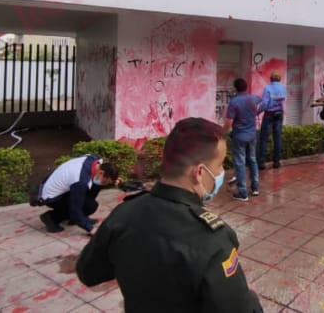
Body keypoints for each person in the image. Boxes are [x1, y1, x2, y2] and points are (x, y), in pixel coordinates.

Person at [76, 118, 263, 313]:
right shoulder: (214, 241)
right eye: (220, 166)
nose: (221, 173)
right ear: (199, 172)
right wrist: (249, 296)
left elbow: (87, 272)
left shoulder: (123, 215)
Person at [35, 155, 118, 233]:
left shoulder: (95, 159)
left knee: (93, 190)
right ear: (101, 173)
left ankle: (76, 218)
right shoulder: (80, 180)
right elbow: (76, 209)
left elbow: (95, 184)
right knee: (89, 206)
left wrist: (113, 181)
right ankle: (51, 217)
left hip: (56, 186)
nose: (103, 184)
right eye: (104, 181)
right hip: (51, 197)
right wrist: (89, 228)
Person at [224, 78, 261, 201]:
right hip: (252, 134)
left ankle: (243, 192)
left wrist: (222, 133)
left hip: (239, 136)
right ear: (246, 87)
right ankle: (255, 188)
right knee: (252, 160)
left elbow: (229, 122)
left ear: (236, 88)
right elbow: (264, 101)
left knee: (240, 162)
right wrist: (257, 112)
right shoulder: (253, 98)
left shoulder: (234, 102)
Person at [258, 71, 287, 170]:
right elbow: (283, 102)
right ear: (279, 78)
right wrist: (283, 112)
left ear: (271, 78)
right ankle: (277, 162)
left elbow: (265, 103)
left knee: (264, 139)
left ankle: (261, 162)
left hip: (269, 115)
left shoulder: (268, 88)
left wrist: (258, 111)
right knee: (277, 138)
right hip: (279, 115)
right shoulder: (283, 88)